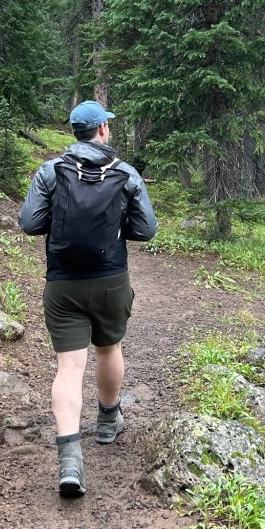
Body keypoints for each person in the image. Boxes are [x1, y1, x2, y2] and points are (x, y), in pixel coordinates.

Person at [18, 100, 158, 498]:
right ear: (101, 130)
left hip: (63, 282)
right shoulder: (125, 173)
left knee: (68, 367)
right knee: (109, 349)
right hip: (111, 278)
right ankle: (108, 420)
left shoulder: (51, 170)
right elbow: (147, 229)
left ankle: (70, 462)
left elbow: (29, 223)